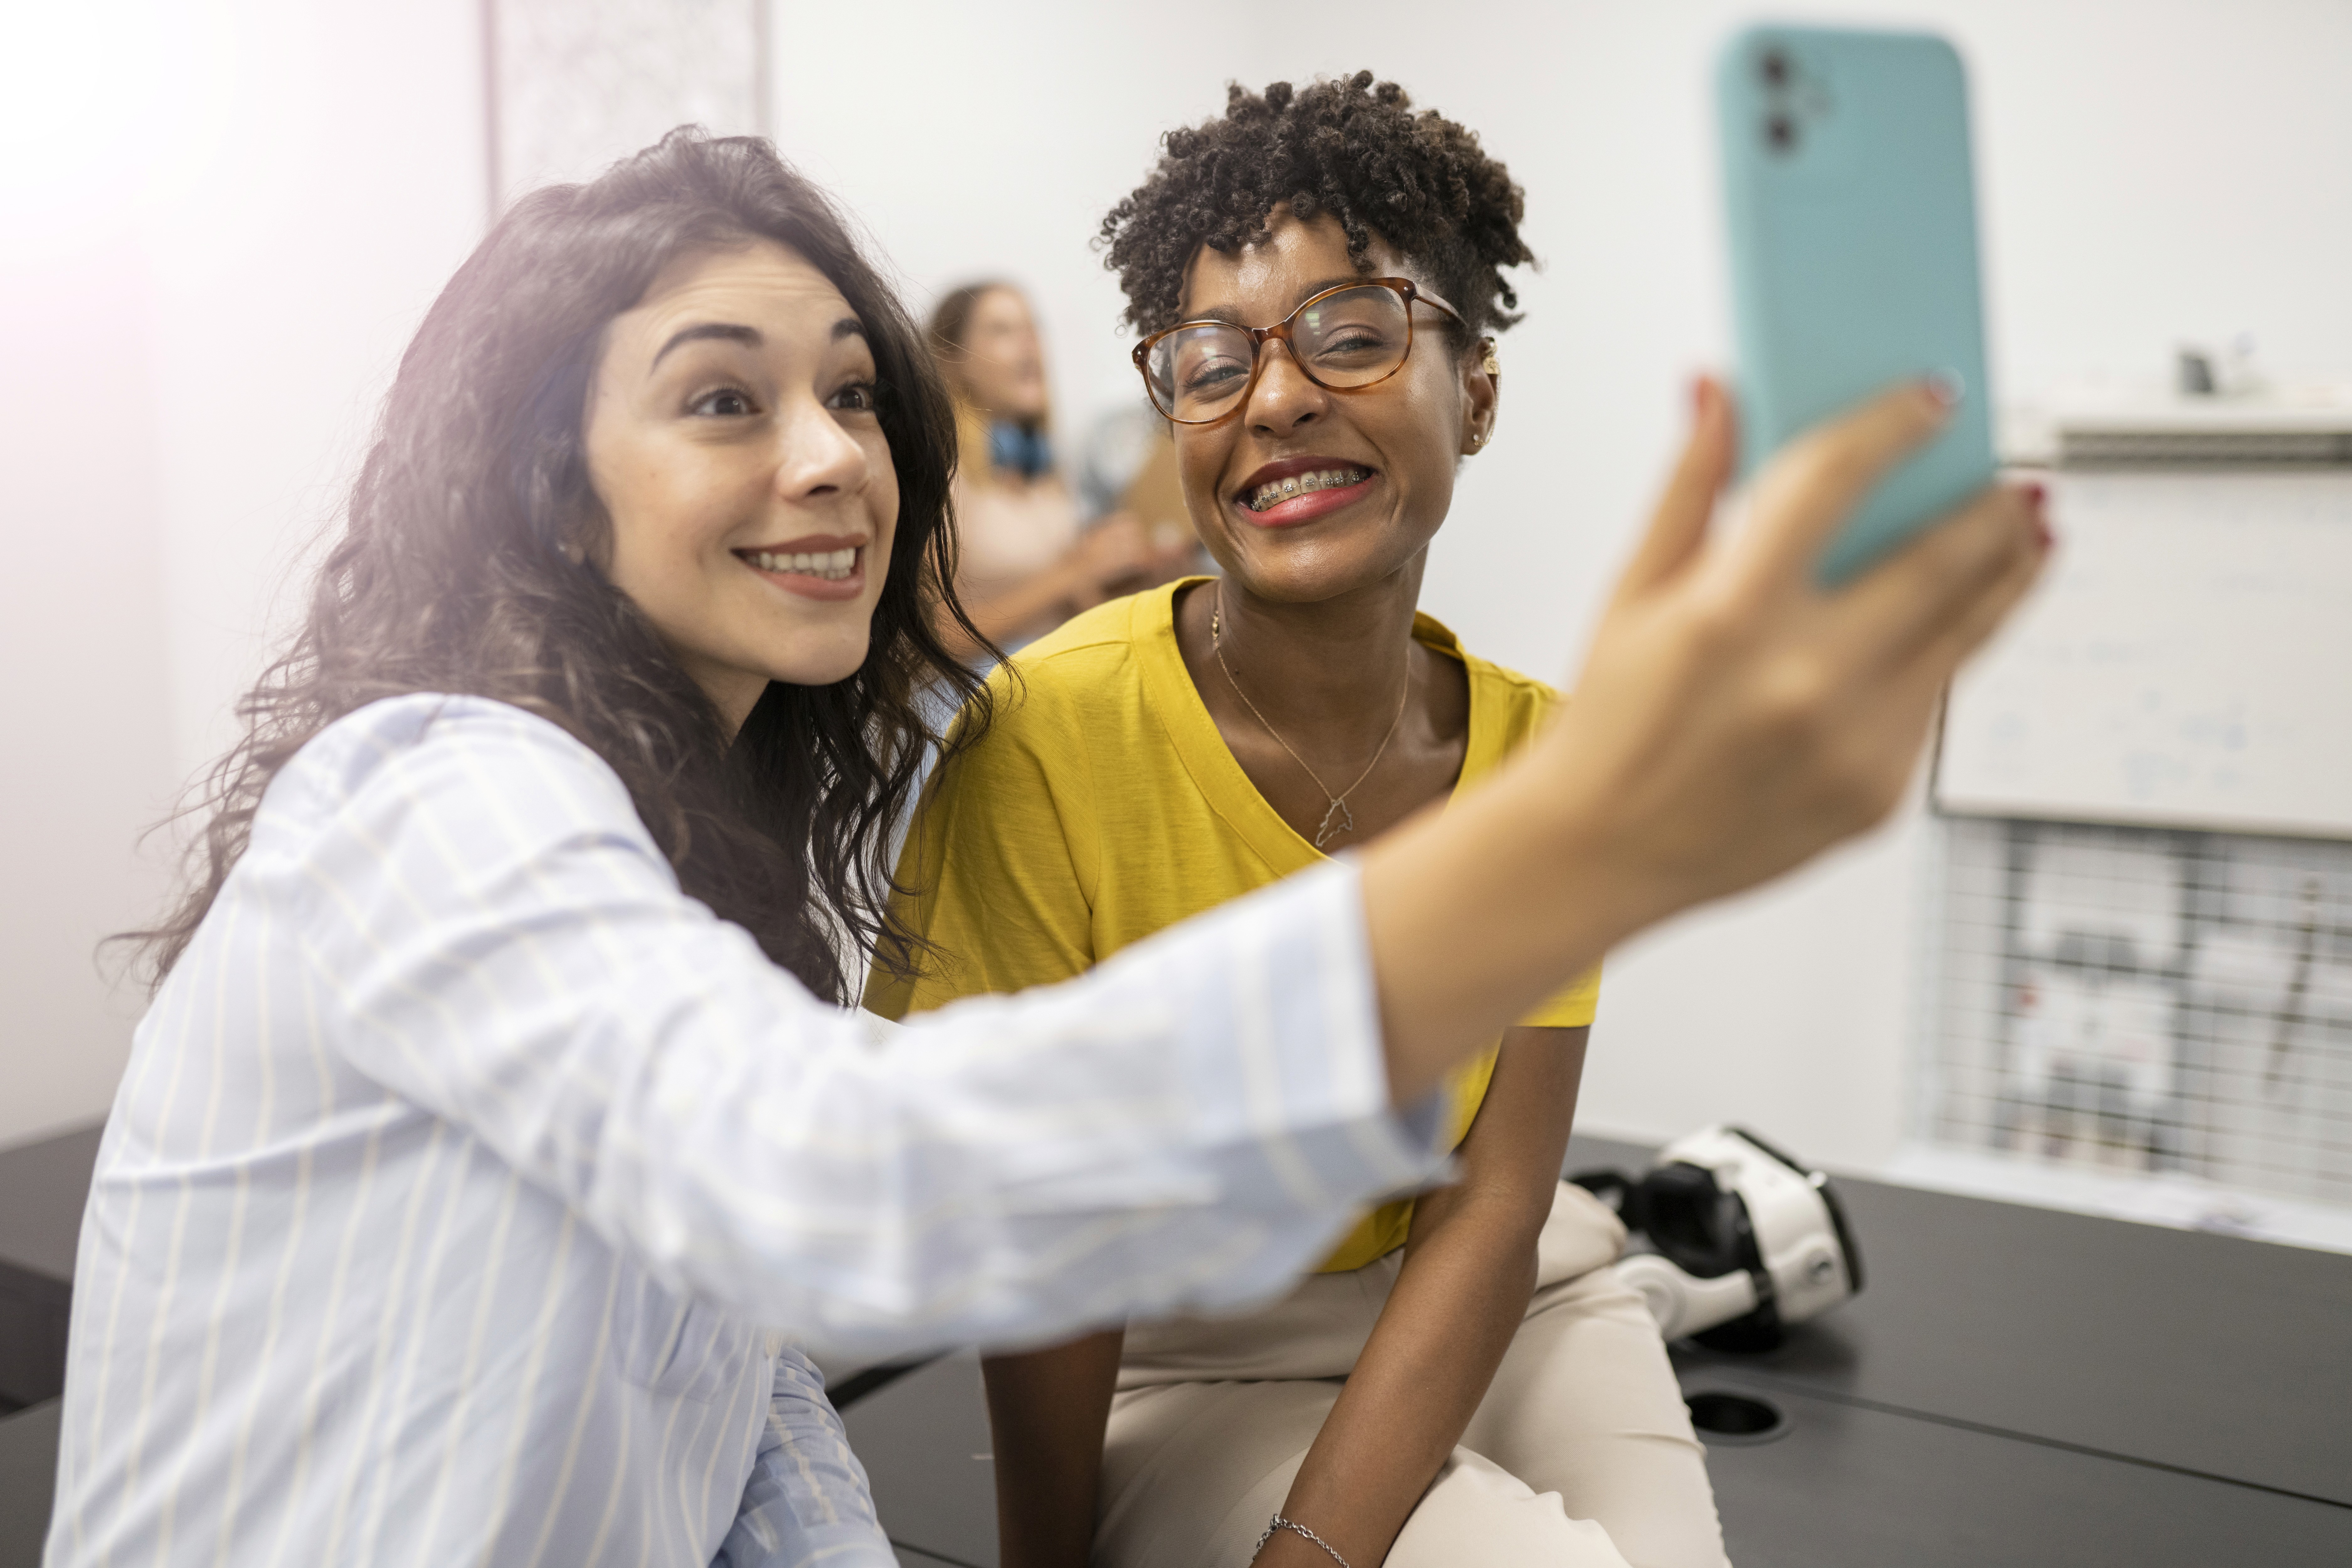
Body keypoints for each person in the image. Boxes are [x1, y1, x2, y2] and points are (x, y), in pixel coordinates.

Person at [45, 116, 2044, 1568]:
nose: (829, 454)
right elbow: (852, 1180)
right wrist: (1578, 849)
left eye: (851, 394)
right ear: (553, 499)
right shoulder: (433, 791)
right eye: (719, 402)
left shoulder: (697, 897)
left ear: (1469, 386)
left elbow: (747, 1431)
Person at [869, 75, 2004, 1568]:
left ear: (1472, 389)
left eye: (1352, 335)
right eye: (1210, 362)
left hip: (1511, 1292)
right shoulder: (1046, 737)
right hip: (1197, 1345)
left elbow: (1494, 1205)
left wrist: (1315, 1549)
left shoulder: (1539, 745)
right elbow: (1043, 1240)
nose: (1272, 398)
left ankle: (1641, 1280)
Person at [930, 281, 1193, 655]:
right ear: (954, 359)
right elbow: (934, 637)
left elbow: (1064, 608)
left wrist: (1141, 573)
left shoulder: (1045, 475)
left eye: (1032, 328)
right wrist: (1073, 571)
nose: (1029, 344)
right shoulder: (938, 479)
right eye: (1002, 331)